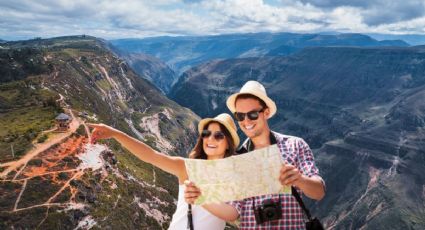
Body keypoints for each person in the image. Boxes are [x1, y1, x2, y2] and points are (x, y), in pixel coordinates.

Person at [185, 81, 326, 229]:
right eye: (240, 116)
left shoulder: (295, 145)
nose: (246, 121)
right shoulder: (237, 160)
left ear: (265, 113)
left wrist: (299, 179)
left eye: (252, 114)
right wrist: (200, 197)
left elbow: (319, 192)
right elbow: (234, 212)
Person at [88, 113, 240, 230]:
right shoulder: (188, 167)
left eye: (219, 135)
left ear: (228, 143)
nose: (210, 139)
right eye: (207, 134)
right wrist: (116, 133)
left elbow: (233, 214)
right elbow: (151, 155)